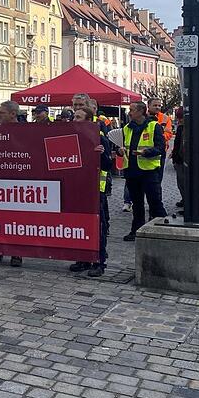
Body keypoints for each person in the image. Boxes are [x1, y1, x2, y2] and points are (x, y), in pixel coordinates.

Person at [68, 106, 111, 277]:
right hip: (77, 187)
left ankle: (99, 262)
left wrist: (100, 154)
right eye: (74, 116)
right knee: (80, 224)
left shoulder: (99, 138)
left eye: (78, 117)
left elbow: (108, 165)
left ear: (88, 120)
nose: (74, 120)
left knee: (97, 226)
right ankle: (83, 258)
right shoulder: (71, 136)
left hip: (94, 189)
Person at [119, 101, 167, 241]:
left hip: (149, 171)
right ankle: (136, 230)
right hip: (132, 171)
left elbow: (160, 148)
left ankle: (162, 230)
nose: (129, 112)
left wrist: (147, 152)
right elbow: (122, 147)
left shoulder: (154, 126)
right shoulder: (127, 128)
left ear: (141, 111)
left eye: (132, 110)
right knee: (137, 204)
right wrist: (120, 151)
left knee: (155, 201)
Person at [0, 100, 23, 266]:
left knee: (17, 218)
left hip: (17, 179)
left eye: (1, 113)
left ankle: (17, 253)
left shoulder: (27, 131)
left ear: (12, 114)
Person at [171, 107, 187, 213]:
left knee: (184, 182)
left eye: (181, 118)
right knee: (180, 182)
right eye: (178, 118)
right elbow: (177, 143)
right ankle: (185, 200)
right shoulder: (181, 128)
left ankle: (188, 203)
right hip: (179, 159)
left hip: (185, 160)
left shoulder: (190, 128)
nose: (179, 120)